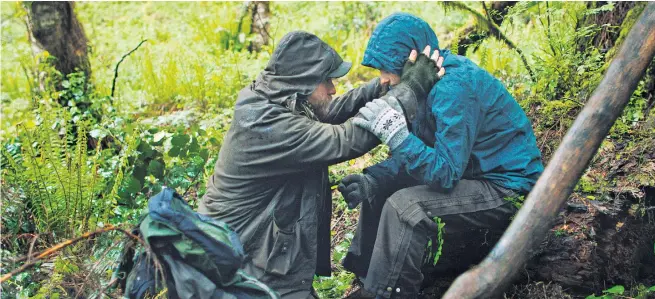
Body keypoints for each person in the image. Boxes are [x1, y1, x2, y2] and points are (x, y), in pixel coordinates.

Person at [197, 30, 444, 299]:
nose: (332, 88)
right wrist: (411, 88)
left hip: (255, 253)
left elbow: (328, 113)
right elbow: (348, 139)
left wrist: (381, 86)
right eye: (326, 80)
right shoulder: (267, 125)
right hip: (239, 266)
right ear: (302, 82)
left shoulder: (272, 97)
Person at [338, 13, 545, 299]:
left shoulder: (453, 87)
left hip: (507, 188)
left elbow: (445, 173)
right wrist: (373, 180)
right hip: (472, 175)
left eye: (386, 69)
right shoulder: (425, 84)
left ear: (411, 58)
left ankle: (386, 295)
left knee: (406, 208)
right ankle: (366, 282)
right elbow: (422, 153)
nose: (382, 80)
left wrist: (398, 135)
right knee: (379, 190)